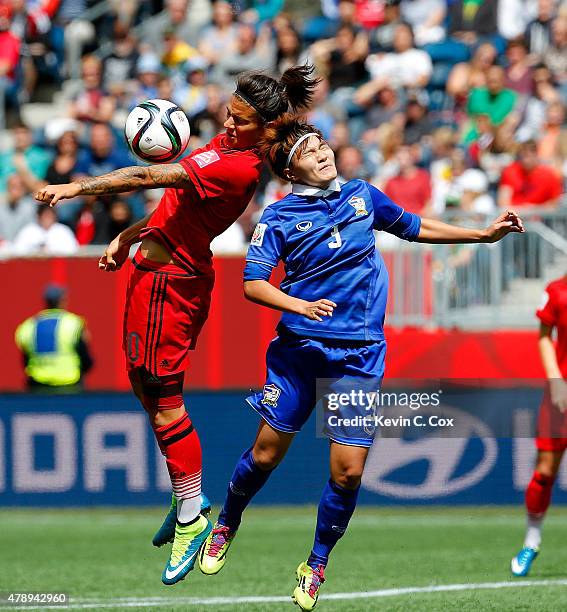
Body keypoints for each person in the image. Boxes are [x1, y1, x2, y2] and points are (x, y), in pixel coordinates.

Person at [197, 115, 524, 610]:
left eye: (322, 144)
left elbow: (415, 227)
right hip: (300, 352)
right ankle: (226, 523)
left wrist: (480, 236)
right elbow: (252, 283)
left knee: (348, 473)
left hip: (358, 356)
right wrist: (300, 306)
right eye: (309, 151)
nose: (323, 152)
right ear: (290, 169)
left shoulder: (363, 197)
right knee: (265, 455)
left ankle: (317, 562)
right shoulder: (278, 218)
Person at [34, 65, 318, 586]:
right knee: (145, 390)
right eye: (228, 114)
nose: (227, 124)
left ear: (267, 128)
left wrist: (74, 187)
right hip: (152, 272)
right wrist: (132, 235)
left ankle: (192, 516)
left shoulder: (237, 168)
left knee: (165, 401)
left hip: (174, 283)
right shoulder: (226, 149)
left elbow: (148, 178)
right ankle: (185, 494)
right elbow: (176, 206)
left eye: (240, 120)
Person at [510, 274, 567, 577]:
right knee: (545, 471)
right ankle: (532, 541)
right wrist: (556, 380)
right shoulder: (557, 291)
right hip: (561, 396)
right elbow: (544, 335)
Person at [15, 284, 93, 391]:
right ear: (62, 300)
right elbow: (86, 359)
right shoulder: (73, 323)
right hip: (69, 386)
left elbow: (25, 360)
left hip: (37, 387)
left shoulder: (28, 326)